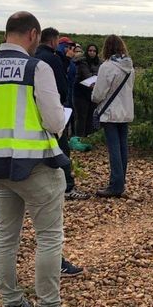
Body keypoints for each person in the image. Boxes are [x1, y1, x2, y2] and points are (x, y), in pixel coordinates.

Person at [0, 11, 82, 307]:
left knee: (6, 235)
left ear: (7, 33)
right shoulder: (37, 68)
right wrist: (60, 119)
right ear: (33, 34)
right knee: (48, 237)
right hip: (36, 165)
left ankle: (12, 304)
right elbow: (53, 120)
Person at [38, 34, 90, 203]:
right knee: (62, 147)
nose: (70, 49)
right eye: (67, 46)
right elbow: (63, 86)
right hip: (57, 110)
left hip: (37, 113)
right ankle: (67, 186)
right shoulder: (53, 60)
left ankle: (46, 186)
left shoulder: (33, 57)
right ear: (54, 42)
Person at [91, 35, 135, 197]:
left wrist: (94, 92)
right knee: (123, 148)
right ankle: (120, 181)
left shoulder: (107, 67)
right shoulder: (130, 67)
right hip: (125, 111)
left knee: (114, 149)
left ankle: (115, 185)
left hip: (110, 113)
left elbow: (98, 94)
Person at [74, 44, 100, 138]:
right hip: (81, 92)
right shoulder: (82, 62)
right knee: (81, 116)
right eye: (90, 50)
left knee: (91, 116)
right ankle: (79, 138)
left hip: (92, 93)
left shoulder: (99, 62)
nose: (92, 52)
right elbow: (87, 75)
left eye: (94, 51)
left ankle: (89, 137)